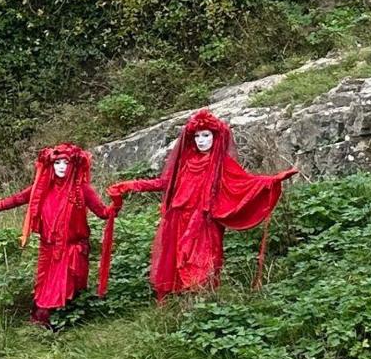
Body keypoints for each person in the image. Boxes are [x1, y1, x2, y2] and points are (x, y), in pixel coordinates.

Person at [105, 109, 295, 298]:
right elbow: (165, 183)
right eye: (197, 136)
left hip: (205, 221)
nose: (201, 140)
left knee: (205, 261)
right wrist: (132, 185)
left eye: (206, 135)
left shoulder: (223, 163)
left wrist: (271, 181)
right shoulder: (186, 161)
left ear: (215, 137)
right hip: (178, 218)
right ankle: (180, 304)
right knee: (175, 260)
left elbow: (243, 183)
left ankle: (203, 302)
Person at [0, 144, 116, 323]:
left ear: (74, 164)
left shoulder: (81, 189)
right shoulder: (42, 188)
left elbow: (104, 213)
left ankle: (71, 322)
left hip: (72, 248)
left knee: (68, 288)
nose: (62, 166)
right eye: (57, 163)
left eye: (66, 162)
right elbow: (14, 200)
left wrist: (117, 201)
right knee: (45, 290)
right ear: (51, 165)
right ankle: (45, 323)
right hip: (48, 249)